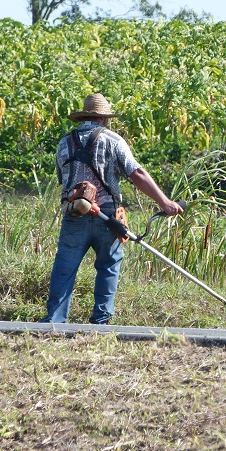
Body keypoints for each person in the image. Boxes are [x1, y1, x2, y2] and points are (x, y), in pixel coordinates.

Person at [40, 93, 184, 325]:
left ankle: (54, 322)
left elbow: (63, 179)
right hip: (106, 217)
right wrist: (165, 203)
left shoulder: (64, 142)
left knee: (64, 268)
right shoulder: (113, 140)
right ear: (104, 118)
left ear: (83, 116)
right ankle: (101, 321)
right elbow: (136, 173)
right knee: (108, 265)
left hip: (74, 214)